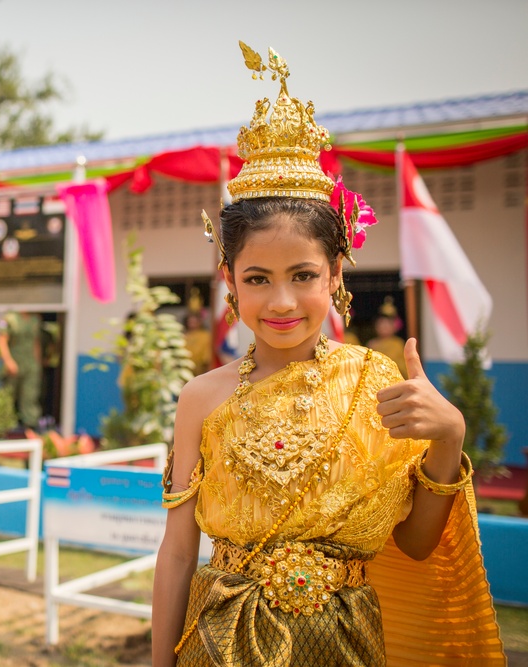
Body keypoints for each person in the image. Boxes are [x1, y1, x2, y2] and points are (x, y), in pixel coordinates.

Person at [152, 43, 503, 666]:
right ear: (228, 278)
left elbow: (419, 546)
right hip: (217, 644)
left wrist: (450, 437)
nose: (282, 301)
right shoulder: (200, 399)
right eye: (257, 278)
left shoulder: (375, 383)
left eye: (304, 275)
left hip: (343, 648)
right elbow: (179, 552)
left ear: (336, 272)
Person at [0, 311, 42, 430]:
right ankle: (3, 426)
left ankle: (30, 425)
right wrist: (8, 361)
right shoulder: (9, 318)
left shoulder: (35, 319)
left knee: (30, 395)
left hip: (30, 364)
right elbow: (2, 341)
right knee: (8, 395)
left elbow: (35, 343)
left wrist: (37, 364)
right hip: (14, 361)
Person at [367, 297, 408, 379]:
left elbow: (404, 368)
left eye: (388, 324)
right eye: (381, 323)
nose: (384, 326)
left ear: (394, 326)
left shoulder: (398, 343)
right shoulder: (371, 344)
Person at [183, 293, 212, 377]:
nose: (192, 322)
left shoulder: (206, 335)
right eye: (190, 319)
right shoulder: (183, 336)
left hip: (201, 374)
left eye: (195, 319)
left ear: (200, 321)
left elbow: (207, 359)